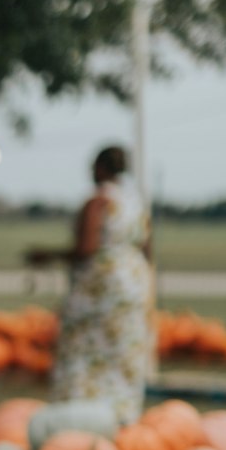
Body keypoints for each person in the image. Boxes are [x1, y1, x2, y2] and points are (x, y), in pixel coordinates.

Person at [25, 146, 153, 423]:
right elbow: (147, 248)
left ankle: (80, 416)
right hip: (133, 281)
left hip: (101, 286)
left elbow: (86, 248)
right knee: (123, 348)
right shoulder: (136, 202)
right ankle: (122, 415)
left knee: (85, 350)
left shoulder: (98, 201)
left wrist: (46, 255)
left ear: (100, 168)